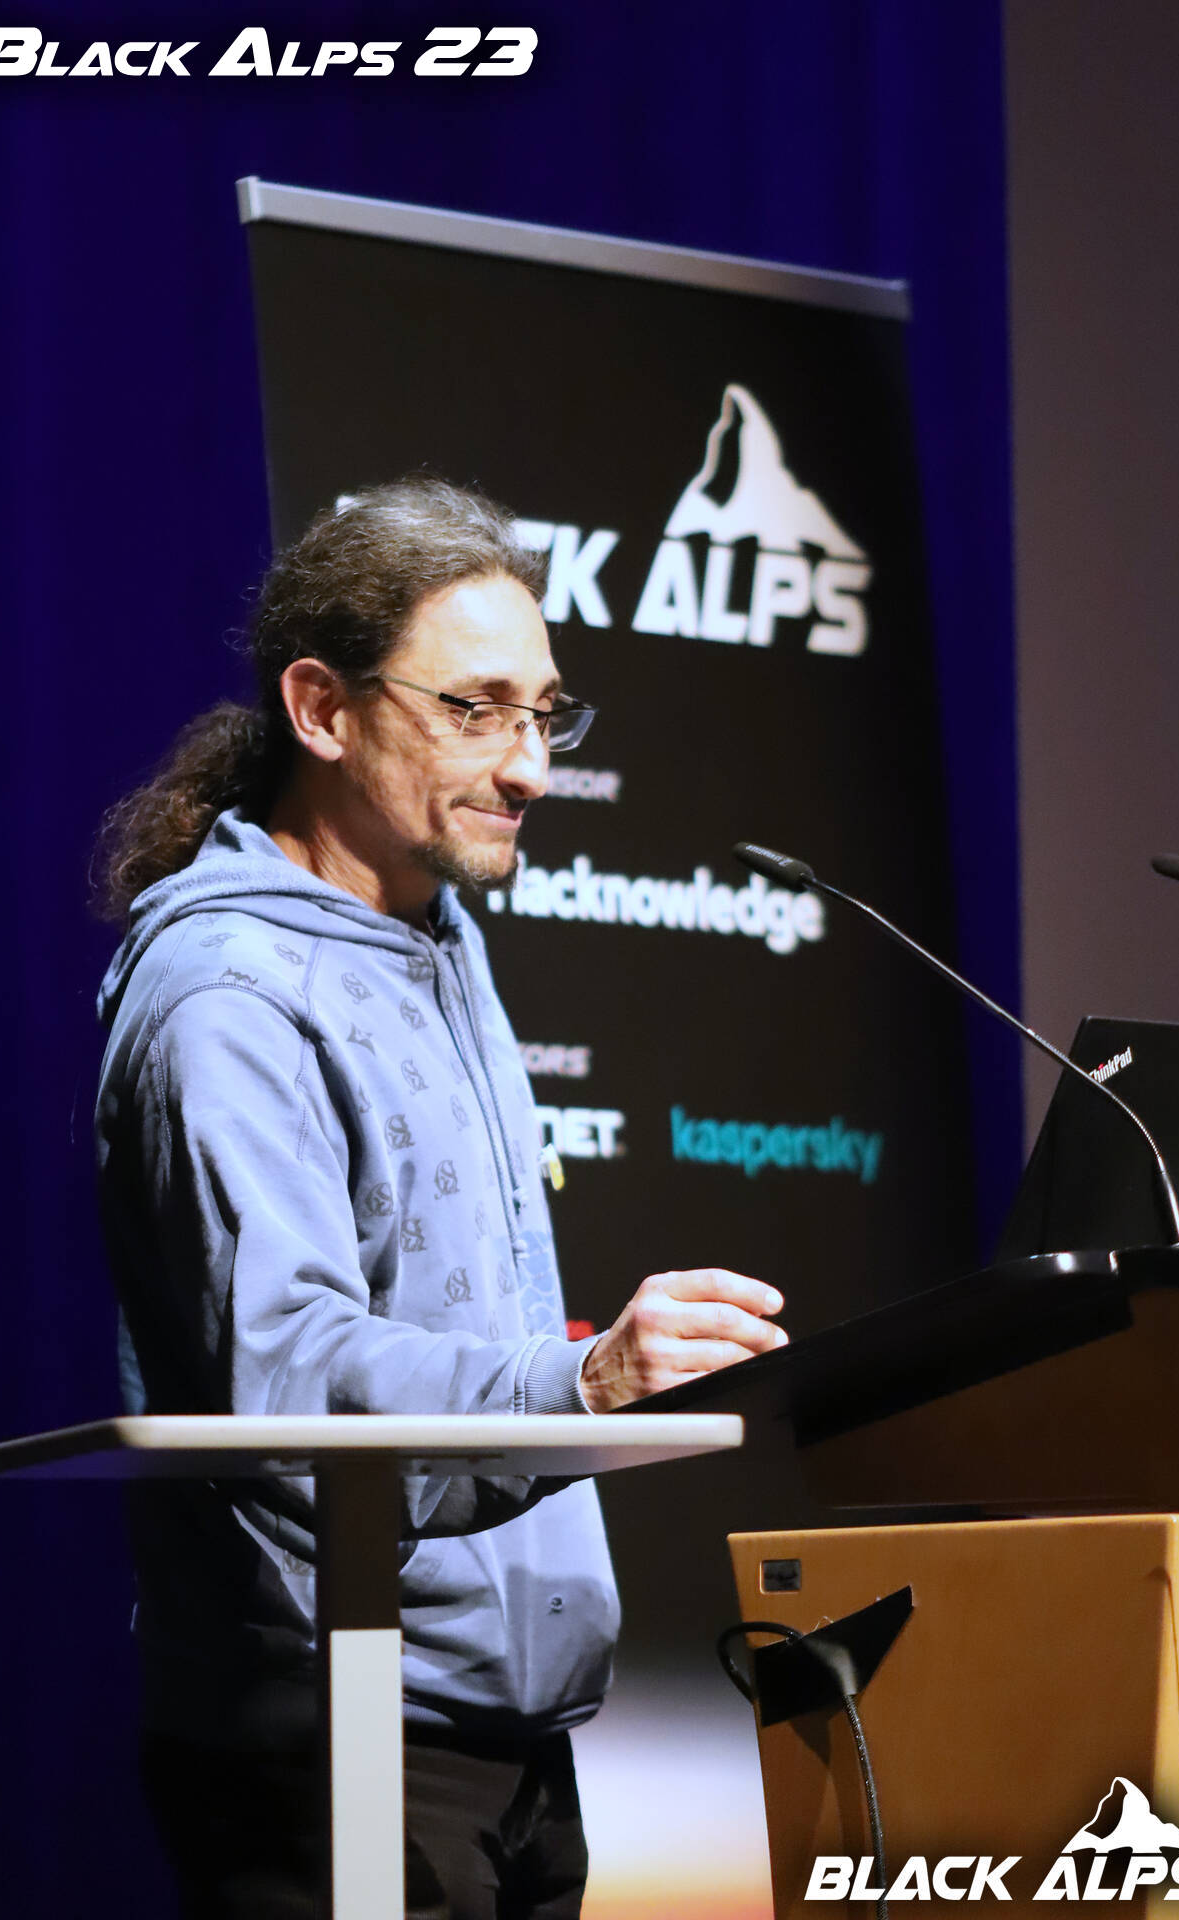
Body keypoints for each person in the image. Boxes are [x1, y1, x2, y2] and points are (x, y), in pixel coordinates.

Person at [93, 476, 788, 1920]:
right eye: (476, 710)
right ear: (323, 710)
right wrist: (584, 1382)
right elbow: (288, 1377)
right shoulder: (227, 994)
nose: (529, 766)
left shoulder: (436, 935)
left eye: (544, 715)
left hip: (502, 1743)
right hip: (334, 1738)